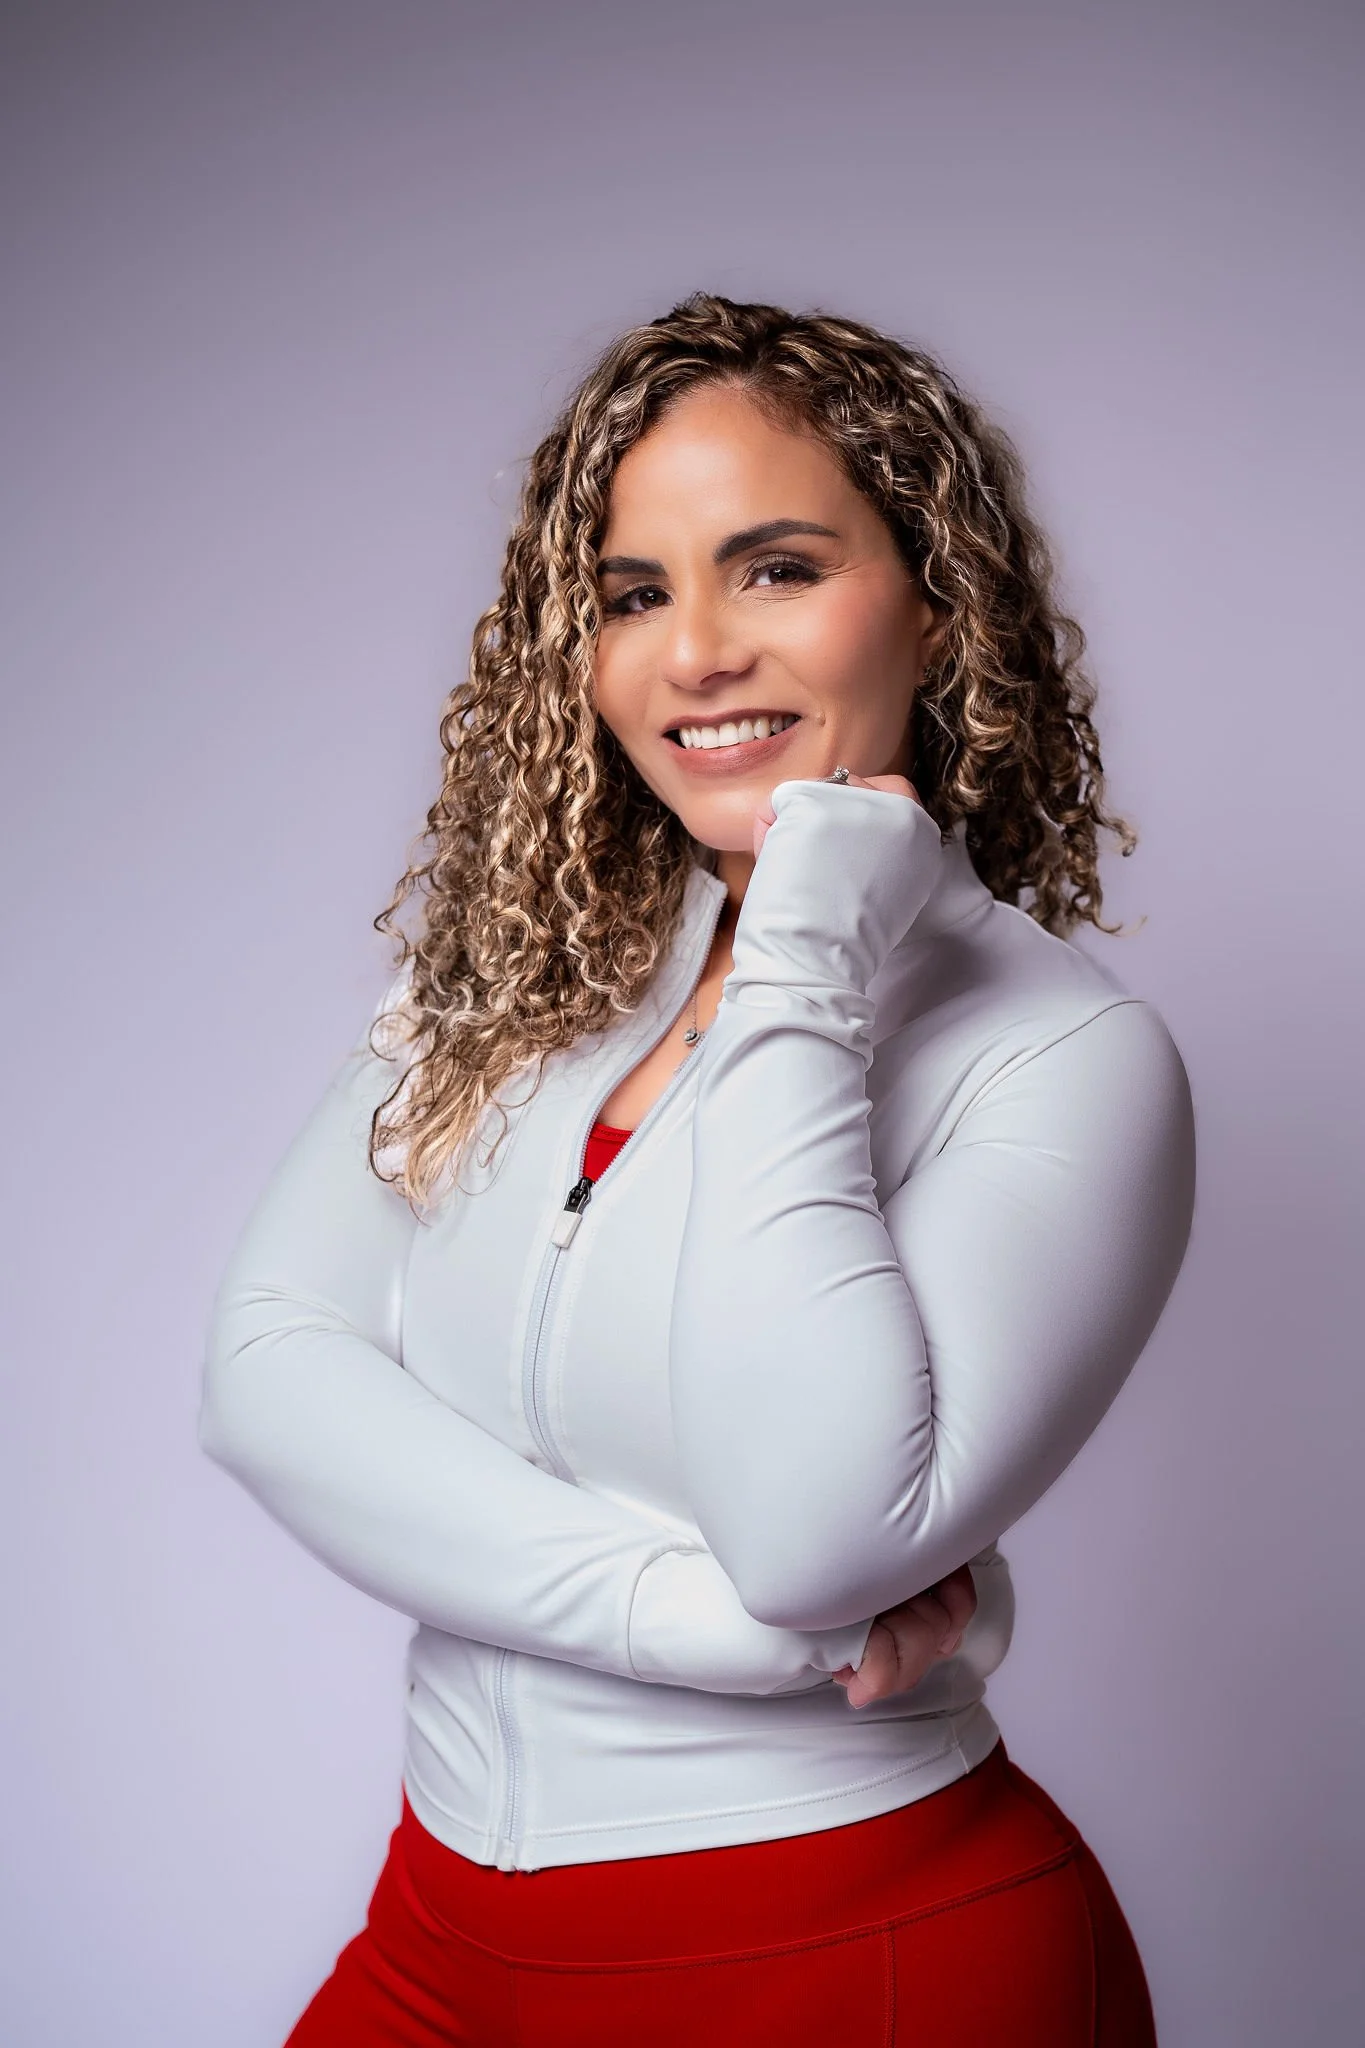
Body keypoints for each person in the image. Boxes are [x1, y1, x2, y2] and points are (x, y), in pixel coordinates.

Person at [200, 292, 1195, 2045]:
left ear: (939, 604)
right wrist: (719, 1630)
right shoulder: (522, 975)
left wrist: (810, 946)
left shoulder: (1062, 1061)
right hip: (436, 1938)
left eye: (779, 568)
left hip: (855, 1956)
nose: (696, 653)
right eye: (634, 594)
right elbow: (269, 1370)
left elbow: (816, 1532)